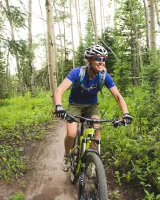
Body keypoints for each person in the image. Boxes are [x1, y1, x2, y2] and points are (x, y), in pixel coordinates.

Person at [54, 44, 133, 172]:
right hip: (75, 105)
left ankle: (93, 162)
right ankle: (67, 156)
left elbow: (118, 96)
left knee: (96, 130)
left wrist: (126, 113)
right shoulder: (77, 73)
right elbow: (59, 90)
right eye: (98, 59)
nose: (101, 62)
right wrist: (59, 106)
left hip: (92, 106)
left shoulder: (104, 76)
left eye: (103, 59)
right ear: (89, 60)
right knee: (71, 133)